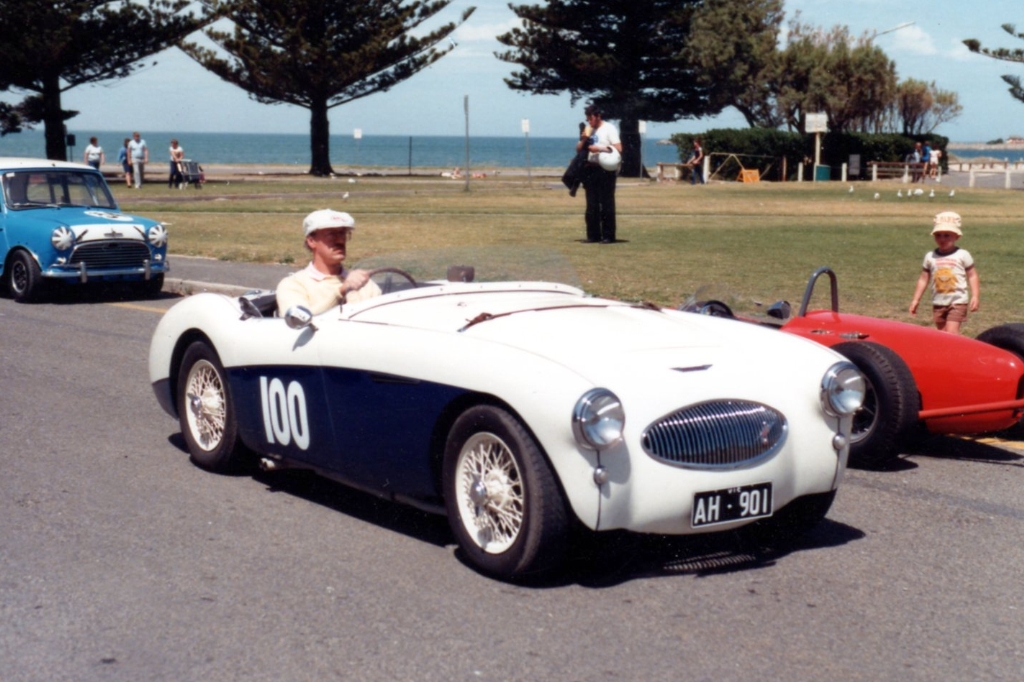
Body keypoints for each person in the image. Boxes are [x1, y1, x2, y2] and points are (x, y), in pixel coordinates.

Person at [276, 209, 382, 316]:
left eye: (342, 233)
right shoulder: (293, 285)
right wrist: (341, 292)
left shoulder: (365, 284)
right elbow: (300, 323)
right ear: (311, 241)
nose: (340, 240)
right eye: (331, 234)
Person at [909, 211, 980, 335]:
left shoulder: (962, 255)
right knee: (942, 334)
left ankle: (959, 353)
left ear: (956, 236)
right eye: (938, 235)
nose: (942, 239)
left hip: (957, 301)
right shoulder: (930, 256)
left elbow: (972, 275)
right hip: (938, 302)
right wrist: (916, 300)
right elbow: (923, 279)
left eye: (947, 235)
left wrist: (975, 296)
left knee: (951, 333)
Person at [576, 103, 622, 244]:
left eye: (591, 118)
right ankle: (593, 235)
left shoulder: (609, 128)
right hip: (591, 168)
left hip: (605, 169)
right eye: (587, 119)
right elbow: (578, 149)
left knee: (606, 203)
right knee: (591, 204)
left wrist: (600, 148)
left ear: (597, 116)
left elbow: (618, 148)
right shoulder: (589, 130)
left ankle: (608, 235)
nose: (589, 121)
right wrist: (583, 139)